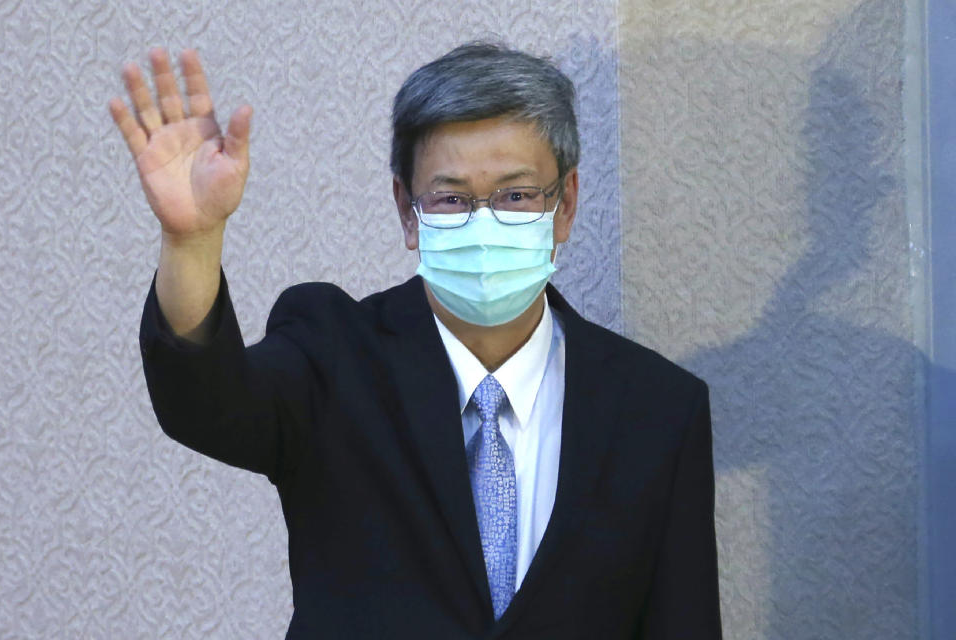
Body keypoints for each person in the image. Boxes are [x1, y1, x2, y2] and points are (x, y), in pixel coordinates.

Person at [110, 43, 722, 639]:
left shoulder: (659, 409)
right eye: (452, 198)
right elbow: (206, 401)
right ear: (408, 211)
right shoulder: (334, 355)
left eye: (515, 195)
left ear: (564, 206)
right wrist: (191, 242)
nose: (484, 222)